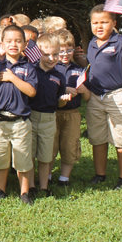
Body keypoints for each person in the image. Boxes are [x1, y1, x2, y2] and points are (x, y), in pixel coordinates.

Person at [85, 4, 122, 189]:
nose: (99, 26)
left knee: (121, 138)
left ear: (114, 23)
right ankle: (100, 174)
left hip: (118, 95)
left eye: (104, 22)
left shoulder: (120, 41)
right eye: (95, 22)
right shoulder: (92, 43)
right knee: (97, 137)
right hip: (95, 96)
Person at [0, 25, 38, 204]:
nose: (13, 44)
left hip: (20, 121)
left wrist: (12, 78)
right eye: (9, 41)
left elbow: (31, 92)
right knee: (1, 158)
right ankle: (1, 190)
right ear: (2, 45)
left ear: (24, 44)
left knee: (22, 158)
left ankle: (24, 193)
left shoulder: (28, 67)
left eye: (18, 41)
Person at [29, 33, 67, 197]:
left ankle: (44, 187)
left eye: (55, 54)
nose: (52, 58)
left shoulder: (59, 76)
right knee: (29, 155)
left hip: (49, 118)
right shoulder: (32, 71)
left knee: (45, 156)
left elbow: (58, 100)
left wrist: (63, 101)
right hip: (30, 116)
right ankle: (30, 186)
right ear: (38, 53)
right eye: (46, 54)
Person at [52, 29, 85, 186]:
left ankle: (64, 178)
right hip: (53, 112)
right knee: (50, 146)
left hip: (72, 113)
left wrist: (83, 90)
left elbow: (88, 97)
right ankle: (48, 175)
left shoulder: (78, 70)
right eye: (60, 51)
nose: (65, 54)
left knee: (70, 145)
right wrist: (62, 91)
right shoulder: (51, 69)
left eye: (69, 50)